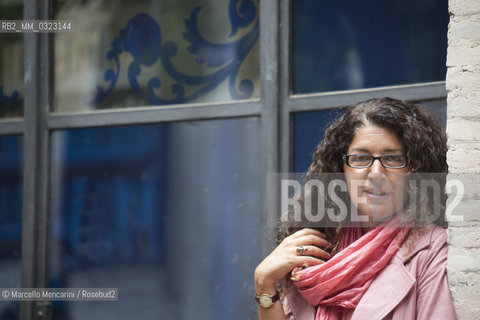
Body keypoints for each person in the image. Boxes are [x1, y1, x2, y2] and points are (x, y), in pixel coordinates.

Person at [254, 97, 456, 319]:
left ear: (415, 171)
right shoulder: (319, 249)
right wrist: (264, 284)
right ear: (340, 170)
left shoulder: (431, 250)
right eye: (360, 158)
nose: (377, 173)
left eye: (393, 158)